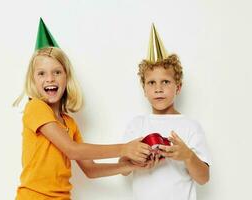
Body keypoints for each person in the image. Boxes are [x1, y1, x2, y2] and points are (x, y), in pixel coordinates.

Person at [13, 18, 153, 200]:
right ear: (33, 80)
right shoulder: (35, 107)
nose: (50, 79)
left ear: (66, 77)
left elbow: (91, 170)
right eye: (42, 73)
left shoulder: (69, 123)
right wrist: (124, 148)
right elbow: (73, 150)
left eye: (57, 72)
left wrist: (131, 166)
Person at [120, 24, 211, 200]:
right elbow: (123, 170)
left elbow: (203, 178)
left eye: (166, 82)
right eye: (151, 83)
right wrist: (135, 158)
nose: (158, 89)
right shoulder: (137, 124)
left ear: (178, 87)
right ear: (144, 89)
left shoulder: (190, 126)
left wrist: (187, 156)